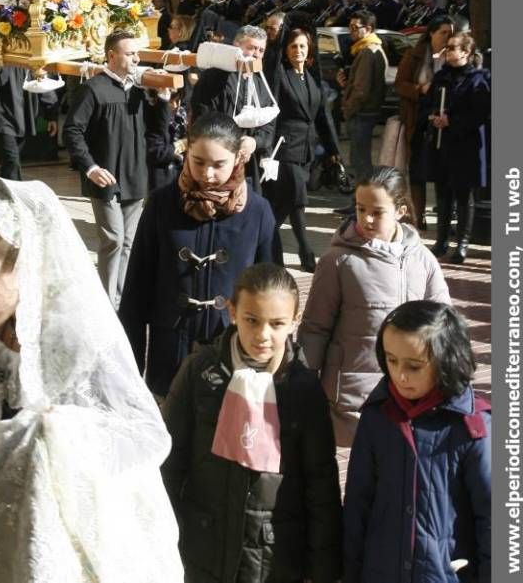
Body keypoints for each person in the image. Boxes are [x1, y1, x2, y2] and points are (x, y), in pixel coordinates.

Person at [0, 176, 184, 583]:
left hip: (78, 527)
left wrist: (63, 433)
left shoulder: (77, 334)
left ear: (22, 266)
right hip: (4, 515)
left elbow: (148, 435)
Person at [161, 263, 342, 583]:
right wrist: (161, 534)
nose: (262, 335)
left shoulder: (301, 389)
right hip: (204, 548)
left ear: (294, 322)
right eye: (251, 320)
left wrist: (323, 570)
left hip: (273, 558)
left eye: (276, 324)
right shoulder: (201, 373)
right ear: (232, 312)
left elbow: (320, 485)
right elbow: (169, 463)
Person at [120, 112, 276, 398]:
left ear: (238, 159)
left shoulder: (257, 211)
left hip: (233, 356)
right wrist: (130, 367)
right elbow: (136, 290)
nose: (207, 174)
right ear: (186, 153)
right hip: (170, 352)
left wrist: (269, 364)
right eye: (198, 162)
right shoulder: (161, 203)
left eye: (219, 165)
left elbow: (273, 294)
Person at [297, 166, 450, 447]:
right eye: (360, 208)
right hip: (353, 394)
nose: (366, 219)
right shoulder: (337, 261)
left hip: (410, 390)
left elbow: (443, 324)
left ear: (401, 210)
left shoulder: (423, 259)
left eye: (377, 212)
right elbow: (315, 327)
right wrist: (304, 380)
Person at [344, 301, 490, 583]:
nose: (399, 375)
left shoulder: (473, 427)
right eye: (391, 360)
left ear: (446, 360)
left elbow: (493, 521)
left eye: (414, 366)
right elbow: (357, 505)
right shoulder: (377, 416)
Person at [63, 30, 150, 306]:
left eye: (137, 53)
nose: (136, 59)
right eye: (129, 53)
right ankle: (105, 303)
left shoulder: (139, 89)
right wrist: (90, 167)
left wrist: (162, 100)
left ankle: (120, 301)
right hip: (105, 178)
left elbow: (157, 129)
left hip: (135, 177)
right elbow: (73, 130)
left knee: (128, 243)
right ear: (111, 56)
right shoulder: (93, 89)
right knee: (113, 239)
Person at [262, 27, 341, 273]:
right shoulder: (280, 75)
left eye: (303, 46)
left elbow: (322, 116)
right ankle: (306, 254)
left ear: (309, 50)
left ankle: (264, 244)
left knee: (287, 205)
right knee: (297, 199)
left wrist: (332, 149)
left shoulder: (311, 77)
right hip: (284, 147)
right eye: (294, 46)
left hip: (306, 149)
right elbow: (271, 111)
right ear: (286, 51)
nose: (298, 51)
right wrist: (265, 147)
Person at [420, 31, 490, 263]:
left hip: (465, 146)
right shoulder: (441, 76)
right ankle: (441, 241)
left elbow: (480, 113)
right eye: (447, 47)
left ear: (466, 52)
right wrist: (433, 117)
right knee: (442, 194)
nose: (447, 51)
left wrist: (452, 121)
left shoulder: (478, 78)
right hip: (442, 144)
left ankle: (462, 243)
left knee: (463, 195)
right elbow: (428, 103)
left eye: (452, 47)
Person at [190, 25, 278, 184]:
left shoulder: (260, 82)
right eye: (251, 48)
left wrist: (254, 142)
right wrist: (234, 143)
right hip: (217, 162)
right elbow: (204, 119)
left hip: (250, 166)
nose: (256, 54)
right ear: (236, 47)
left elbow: (269, 127)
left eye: (261, 50)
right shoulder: (215, 77)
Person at [394, 15, 455, 228]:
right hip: (418, 121)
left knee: (443, 172)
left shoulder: (453, 57)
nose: (448, 37)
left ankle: (445, 220)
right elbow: (400, 84)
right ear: (431, 33)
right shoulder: (415, 55)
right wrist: (419, 89)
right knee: (418, 171)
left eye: (450, 33)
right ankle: (418, 216)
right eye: (443, 33)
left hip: (445, 123)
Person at [337, 11, 387, 184]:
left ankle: (361, 203)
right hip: (365, 113)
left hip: (362, 114)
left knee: (360, 161)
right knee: (359, 159)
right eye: (349, 26)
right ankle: (358, 202)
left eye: (354, 27)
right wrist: (345, 82)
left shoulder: (368, 52)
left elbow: (361, 91)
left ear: (368, 28)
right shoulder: (366, 49)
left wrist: (347, 110)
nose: (350, 31)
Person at [0, 64, 59, 181]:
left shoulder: (31, 56)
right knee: (11, 158)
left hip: (24, 116)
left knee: (10, 161)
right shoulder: (0, 57)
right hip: (3, 116)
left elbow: (43, 83)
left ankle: (3, 192)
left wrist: (51, 116)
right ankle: (15, 192)